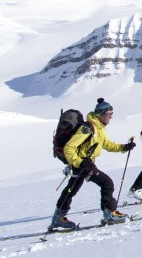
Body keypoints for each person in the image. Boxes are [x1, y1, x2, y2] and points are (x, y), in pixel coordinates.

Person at [50, 98, 136, 230]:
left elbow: (107, 144)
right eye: (109, 114)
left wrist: (124, 147)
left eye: (112, 114)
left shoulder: (99, 128)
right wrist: (80, 162)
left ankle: (58, 217)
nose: (111, 117)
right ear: (100, 115)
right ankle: (109, 214)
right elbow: (69, 148)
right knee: (107, 183)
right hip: (83, 163)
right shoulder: (88, 128)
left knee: (71, 189)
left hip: (84, 163)